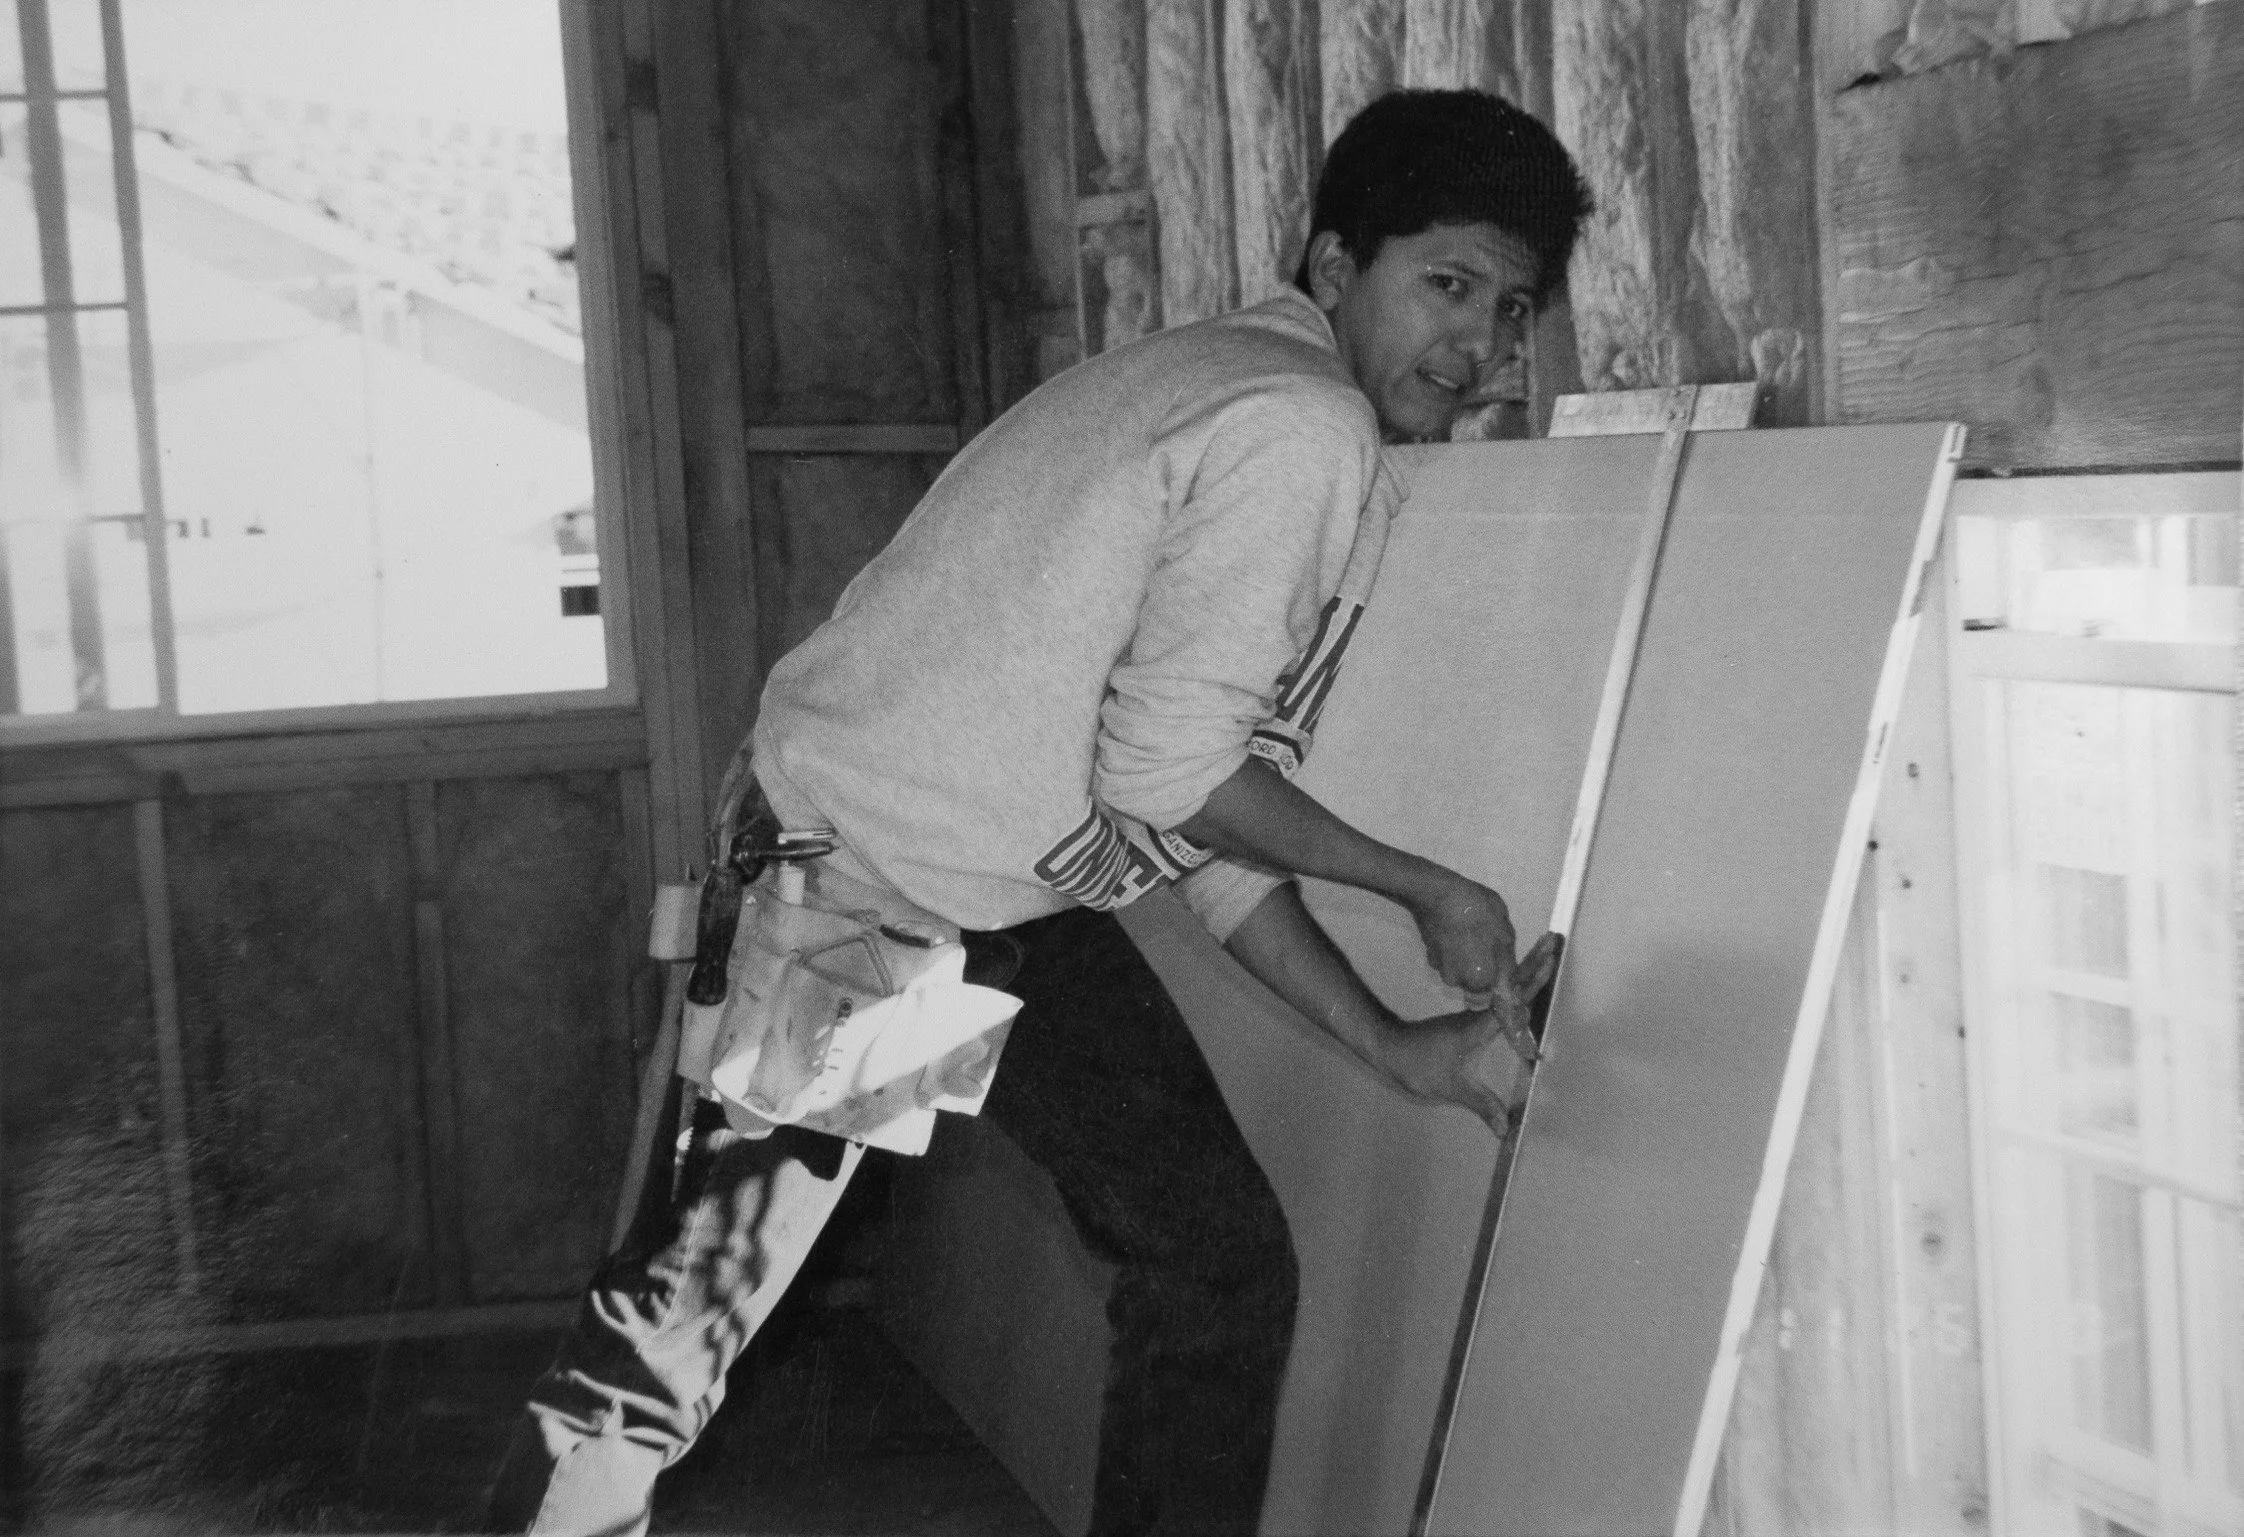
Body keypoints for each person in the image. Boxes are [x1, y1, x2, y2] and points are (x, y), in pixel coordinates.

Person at [485, 87, 1592, 1537]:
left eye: (1511, 309)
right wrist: (1427, 887)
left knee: (1194, 1259)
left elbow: (1183, 825)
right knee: (687, 1336)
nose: (1481, 345)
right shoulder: (1299, 427)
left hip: (954, 881)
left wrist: (1397, 1046)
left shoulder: (1234, 387)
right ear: (1334, 268)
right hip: (869, 897)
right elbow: (1170, 777)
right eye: (1446, 285)